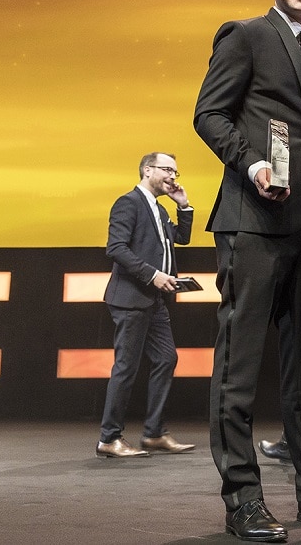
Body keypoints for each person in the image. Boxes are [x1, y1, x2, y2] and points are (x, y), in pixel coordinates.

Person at [194, 0, 301, 542]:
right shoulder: (247, 34)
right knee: (239, 365)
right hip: (253, 222)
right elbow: (208, 113)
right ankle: (243, 498)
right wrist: (252, 163)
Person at [97, 152, 195, 459]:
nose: (173, 176)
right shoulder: (128, 203)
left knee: (166, 358)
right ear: (147, 170)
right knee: (126, 367)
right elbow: (115, 248)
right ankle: (109, 438)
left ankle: (154, 434)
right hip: (130, 299)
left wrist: (183, 207)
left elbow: (181, 238)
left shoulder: (159, 208)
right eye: (167, 170)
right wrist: (153, 275)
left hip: (154, 301)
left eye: (176, 172)